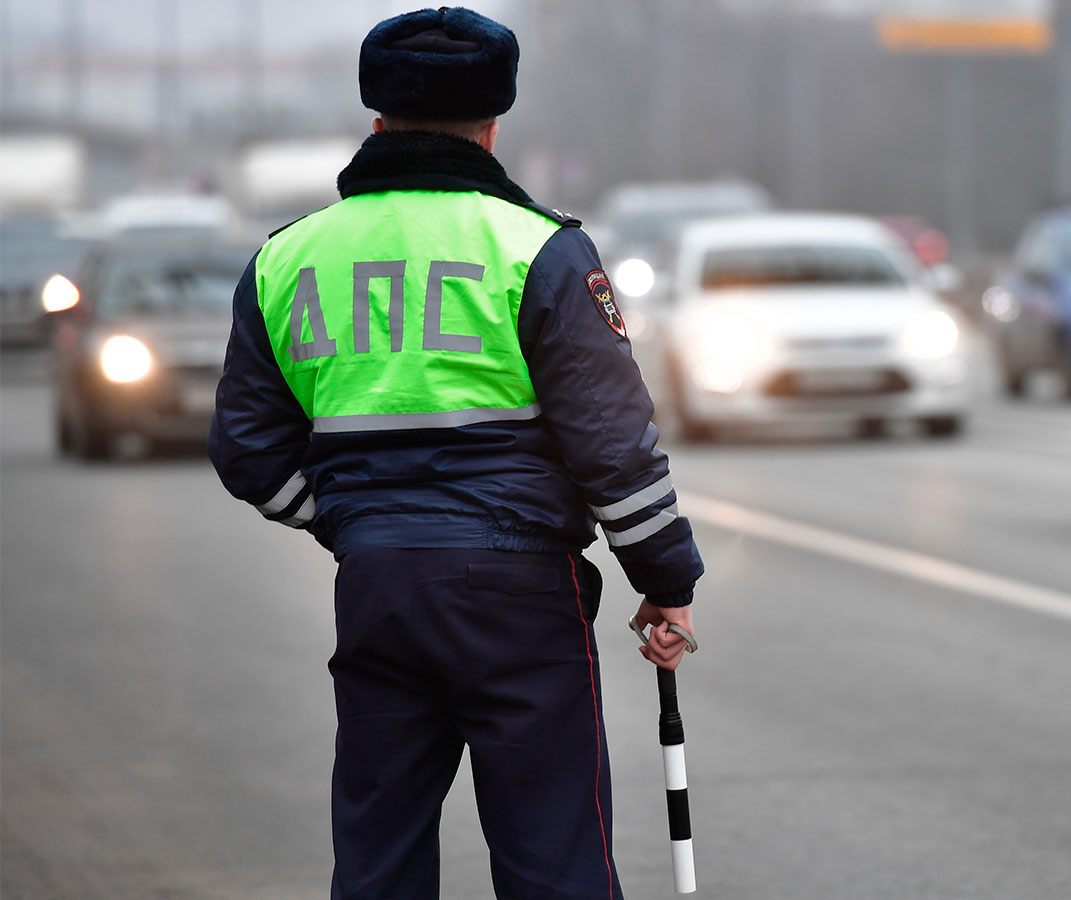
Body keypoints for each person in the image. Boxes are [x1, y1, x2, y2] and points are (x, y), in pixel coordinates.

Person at [207, 8, 703, 898]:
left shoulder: (288, 259)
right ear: (492, 126)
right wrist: (666, 582)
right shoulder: (539, 250)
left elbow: (246, 448)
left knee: (379, 856)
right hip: (520, 595)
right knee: (554, 858)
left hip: (377, 588)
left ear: (376, 122)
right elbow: (615, 450)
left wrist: (358, 524)